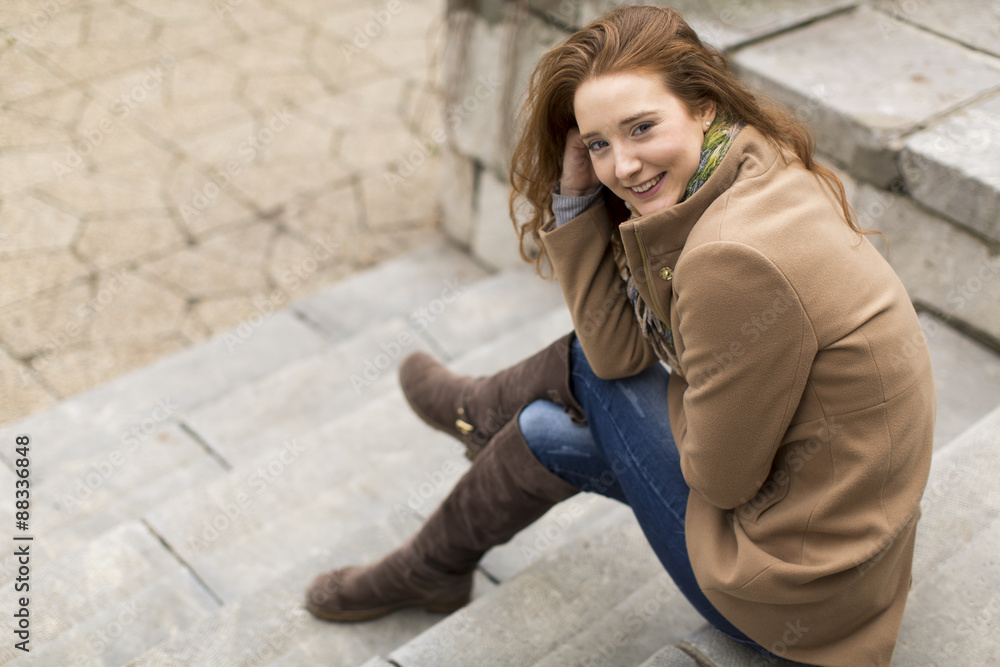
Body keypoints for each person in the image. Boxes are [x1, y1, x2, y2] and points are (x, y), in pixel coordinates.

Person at [305, 6, 935, 666]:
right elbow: (626, 354)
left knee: (586, 376)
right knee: (545, 428)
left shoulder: (731, 259)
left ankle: (472, 426)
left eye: (642, 127)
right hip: (848, 561)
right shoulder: (758, 161)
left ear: (702, 105)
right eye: (598, 144)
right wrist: (579, 196)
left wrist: (660, 388)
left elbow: (714, 475)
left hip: (793, 597)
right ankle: (434, 556)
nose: (623, 165)